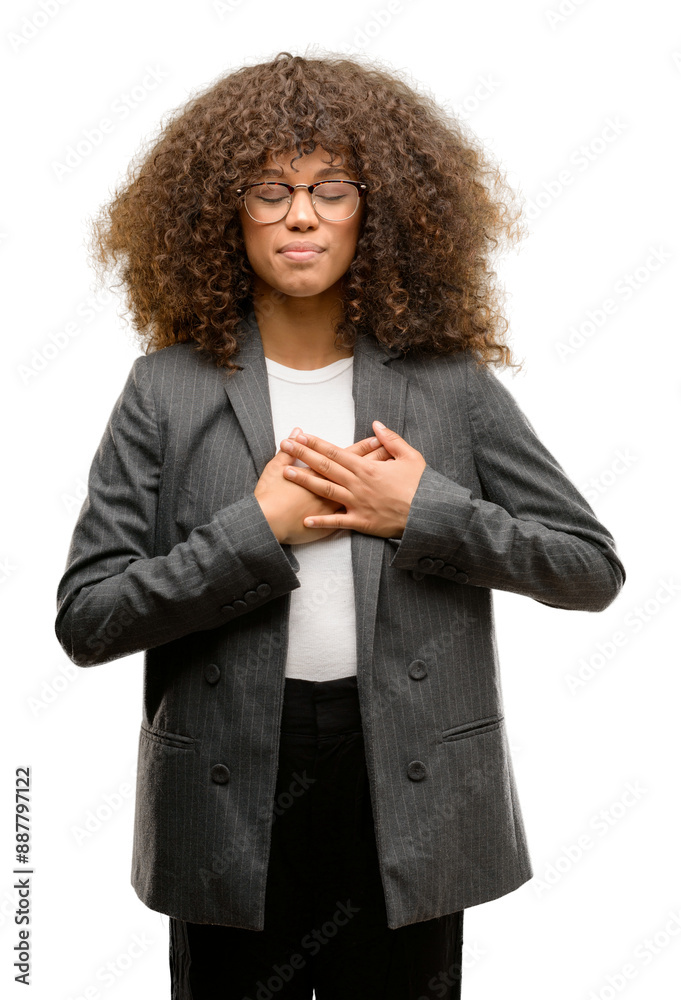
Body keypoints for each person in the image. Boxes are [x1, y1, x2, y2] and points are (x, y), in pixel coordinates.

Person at [54, 51, 626, 999]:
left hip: (405, 775)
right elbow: (87, 617)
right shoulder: (165, 387)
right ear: (220, 213)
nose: (302, 214)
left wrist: (422, 511)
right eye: (269, 189)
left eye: (332, 188)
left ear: (383, 210)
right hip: (228, 785)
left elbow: (588, 568)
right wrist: (258, 529)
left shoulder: (449, 384)